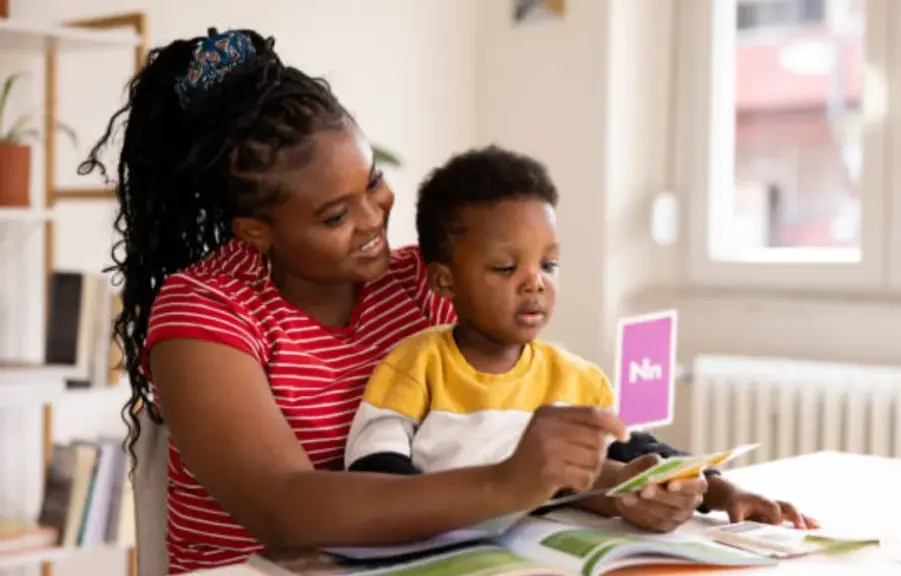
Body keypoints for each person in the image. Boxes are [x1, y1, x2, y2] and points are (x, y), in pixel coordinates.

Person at [80, 27, 812, 575]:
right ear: (256, 230)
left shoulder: (422, 284)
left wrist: (657, 486)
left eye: (372, 182)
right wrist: (507, 482)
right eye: (335, 216)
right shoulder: (204, 309)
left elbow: (497, 442)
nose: (373, 219)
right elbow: (280, 506)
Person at [343, 145, 819, 529]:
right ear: (444, 282)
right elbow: (373, 473)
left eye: (548, 265)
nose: (535, 283)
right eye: (506, 268)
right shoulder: (415, 365)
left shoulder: (574, 379)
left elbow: (640, 451)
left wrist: (724, 491)